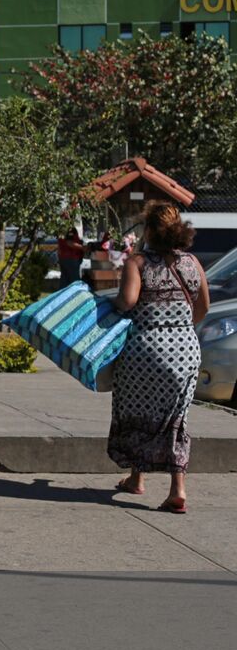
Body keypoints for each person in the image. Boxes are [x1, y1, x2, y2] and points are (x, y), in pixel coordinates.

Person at [109, 201, 210, 513]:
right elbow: (203, 307)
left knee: (137, 409)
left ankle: (136, 477)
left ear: (149, 230)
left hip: (145, 351)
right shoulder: (192, 263)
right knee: (177, 418)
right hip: (185, 350)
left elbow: (127, 302)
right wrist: (178, 329)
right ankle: (177, 488)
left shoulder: (137, 263)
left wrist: (112, 305)